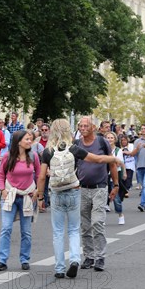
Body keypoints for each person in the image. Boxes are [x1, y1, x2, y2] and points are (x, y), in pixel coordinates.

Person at [36, 118, 121, 278]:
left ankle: (60, 268)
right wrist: (115, 159)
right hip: (75, 191)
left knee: (58, 232)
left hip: (57, 193)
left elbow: (41, 177)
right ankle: (75, 258)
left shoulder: (47, 152)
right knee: (75, 229)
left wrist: (41, 197)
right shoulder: (74, 148)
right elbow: (97, 159)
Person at [76, 116, 121, 272]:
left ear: (93, 127)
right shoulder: (77, 144)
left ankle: (100, 257)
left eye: (86, 125)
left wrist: (115, 185)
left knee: (97, 222)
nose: (83, 128)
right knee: (85, 225)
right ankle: (89, 256)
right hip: (82, 188)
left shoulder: (102, 142)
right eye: (80, 126)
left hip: (100, 188)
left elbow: (112, 163)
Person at [0, 130, 40, 271]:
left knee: (26, 231)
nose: (29, 141)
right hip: (11, 195)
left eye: (30, 139)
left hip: (27, 196)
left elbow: (39, 174)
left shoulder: (33, 156)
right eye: (27, 139)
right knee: (6, 228)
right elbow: (1, 174)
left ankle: (25, 259)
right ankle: (2, 260)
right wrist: (2, 190)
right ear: (18, 141)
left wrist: (38, 190)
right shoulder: (8, 156)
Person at [105, 131, 126, 225]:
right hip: (104, 175)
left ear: (115, 139)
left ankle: (120, 214)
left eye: (111, 138)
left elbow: (119, 163)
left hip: (115, 175)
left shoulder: (118, 150)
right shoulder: (102, 149)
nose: (109, 139)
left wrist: (110, 159)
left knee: (116, 198)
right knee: (103, 197)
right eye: (108, 138)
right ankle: (102, 218)